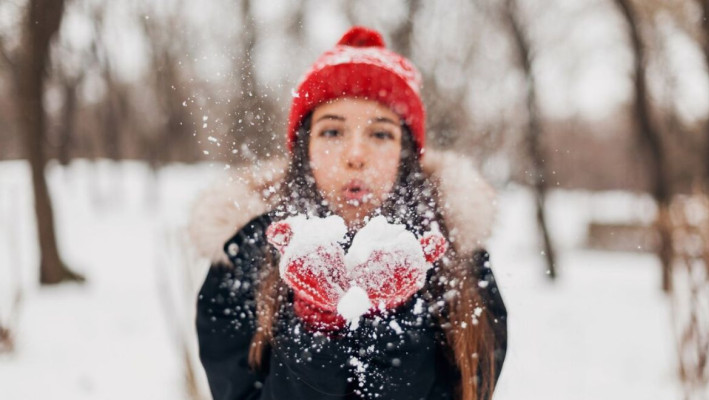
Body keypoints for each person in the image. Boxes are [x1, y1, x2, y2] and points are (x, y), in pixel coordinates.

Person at [188, 26, 507, 400]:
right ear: (304, 150)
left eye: (381, 134)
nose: (356, 155)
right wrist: (314, 329)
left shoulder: (457, 264)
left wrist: (394, 324)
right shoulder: (246, 256)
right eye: (333, 132)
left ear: (406, 154)